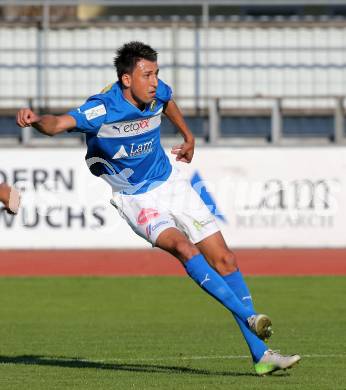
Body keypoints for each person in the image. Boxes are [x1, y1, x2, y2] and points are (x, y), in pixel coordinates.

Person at [16, 41, 300, 375]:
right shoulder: (103, 109)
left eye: (156, 73)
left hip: (171, 183)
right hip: (136, 198)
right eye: (147, 74)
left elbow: (167, 102)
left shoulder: (155, 93)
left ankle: (260, 356)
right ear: (126, 79)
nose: (154, 81)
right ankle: (249, 317)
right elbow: (58, 123)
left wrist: (187, 134)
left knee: (226, 259)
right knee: (183, 247)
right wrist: (35, 120)